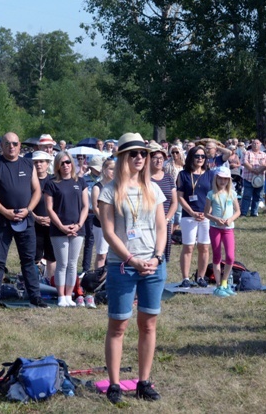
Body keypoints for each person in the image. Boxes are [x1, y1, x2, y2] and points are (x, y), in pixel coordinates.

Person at [97, 132, 167, 404]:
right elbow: (109, 233)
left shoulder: (154, 188)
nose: (140, 158)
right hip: (123, 266)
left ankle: (144, 382)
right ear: (123, 157)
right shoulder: (109, 191)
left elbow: (162, 227)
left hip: (153, 265)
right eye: (134, 153)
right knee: (118, 325)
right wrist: (131, 260)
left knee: (148, 325)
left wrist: (158, 257)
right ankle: (114, 384)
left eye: (143, 153)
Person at [0, 132, 49, 312]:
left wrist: (28, 210)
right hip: (1, 219)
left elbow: (37, 191)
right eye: (7, 143)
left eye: (14, 143)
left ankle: (35, 298)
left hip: (25, 219)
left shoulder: (28, 164)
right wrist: (5, 212)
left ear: (19, 145)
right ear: (2, 146)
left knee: (29, 260)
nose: (11, 147)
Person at [44, 151, 89, 307]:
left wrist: (79, 225)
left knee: (72, 264)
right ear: (57, 165)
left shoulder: (81, 182)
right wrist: (62, 227)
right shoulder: (51, 183)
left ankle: (70, 295)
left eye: (68, 162)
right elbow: (49, 209)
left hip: (77, 229)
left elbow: (85, 206)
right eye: (62, 163)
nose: (66, 165)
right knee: (62, 264)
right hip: (58, 229)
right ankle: (61, 296)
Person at [176, 145, 215, 288]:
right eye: (197, 156)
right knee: (188, 247)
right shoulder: (183, 174)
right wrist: (192, 212)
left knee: (204, 247)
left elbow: (213, 196)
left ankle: (201, 277)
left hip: (206, 216)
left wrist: (206, 212)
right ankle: (185, 278)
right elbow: (180, 197)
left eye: (203, 156)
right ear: (191, 157)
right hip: (188, 215)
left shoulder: (210, 174)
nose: (200, 159)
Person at [204, 166, 240, 297]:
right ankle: (219, 285)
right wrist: (215, 219)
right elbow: (206, 213)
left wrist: (230, 219)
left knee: (230, 256)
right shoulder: (211, 194)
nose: (223, 181)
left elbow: (238, 211)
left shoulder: (232, 194)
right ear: (216, 179)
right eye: (220, 178)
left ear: (229, 180)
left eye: (225, 179)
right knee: (217, 256)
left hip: (228, 229)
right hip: (215, 228)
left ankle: (225, 282)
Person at [148, 143, 178, 264]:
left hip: (165, 222)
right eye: (155, 158)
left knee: (162, 256)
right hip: (148, 222)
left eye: (161, 158)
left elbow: (174, 202)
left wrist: (166, 219)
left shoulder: (168, 178)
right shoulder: (144, 178)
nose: (159, 161)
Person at [31, 151, 56, 280]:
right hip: (34, 223)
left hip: (52, 224)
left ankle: (50, 282)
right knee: (34, 256)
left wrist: (51, 218)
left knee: (52, 256)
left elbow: (59, 203)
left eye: (41, 162)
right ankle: (35, 284)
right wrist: (36, 217)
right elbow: (24, 202)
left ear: (48, 164)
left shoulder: (54, 180)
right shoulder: (28, 181)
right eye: (36, 162)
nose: (39, 164)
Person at [91, 158, 115, 270]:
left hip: (116, 224)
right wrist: (106, 223)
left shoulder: (117, 186)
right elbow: (96, 208)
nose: (113, 171)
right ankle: (98, 280)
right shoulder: (97, 187)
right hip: (101, 225)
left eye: (115, 169)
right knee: (102, 254)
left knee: (114, 254)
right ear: (104, 170)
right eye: (111, 169)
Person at [240, 139, 266, 217]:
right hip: (248, 178)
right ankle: (244, 213)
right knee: (247, 196)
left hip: (260, 179)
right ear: (251, 144)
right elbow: (245, 163)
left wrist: (259, 170)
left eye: (257, 143)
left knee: (257, 196)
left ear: (260, 144)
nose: (255, 144)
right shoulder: (247, 153)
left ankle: (254, 212)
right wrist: (253, 170)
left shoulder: (263, 154)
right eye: (254, 143)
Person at [165, 144, 185, 232]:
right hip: (171, 190)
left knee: (178, 212)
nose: (175, 154)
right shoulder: (168, 165)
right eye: (173, 152)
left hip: (181, 190)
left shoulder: (184, 165)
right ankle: (171, 232)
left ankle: (174, 229)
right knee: (171, 212)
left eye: (177, 152)